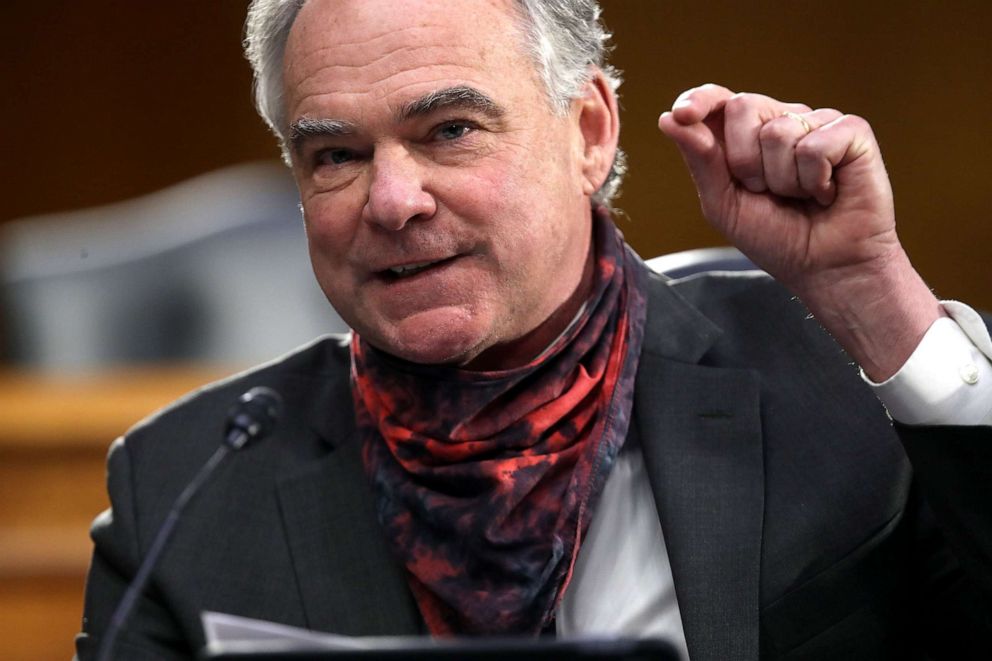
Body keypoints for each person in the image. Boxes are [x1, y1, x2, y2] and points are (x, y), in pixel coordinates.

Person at [75, 0, 992, 659]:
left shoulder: (831, 374)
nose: (393, 201)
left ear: (589, 130)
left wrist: (873, 295)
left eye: (450, 131)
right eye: (337, 155)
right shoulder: (189, 488)